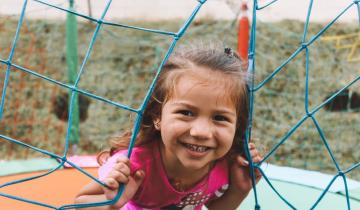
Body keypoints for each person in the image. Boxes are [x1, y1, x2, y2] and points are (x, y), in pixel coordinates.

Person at [74, 42, 262, 210]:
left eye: (220, 117)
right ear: (158, 116)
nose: (201, 132)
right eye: (186, 113)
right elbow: (79, 202)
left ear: (237, 126)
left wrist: (239, 190)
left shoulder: (225, 164)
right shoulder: (131, 165)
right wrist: (110, 205)